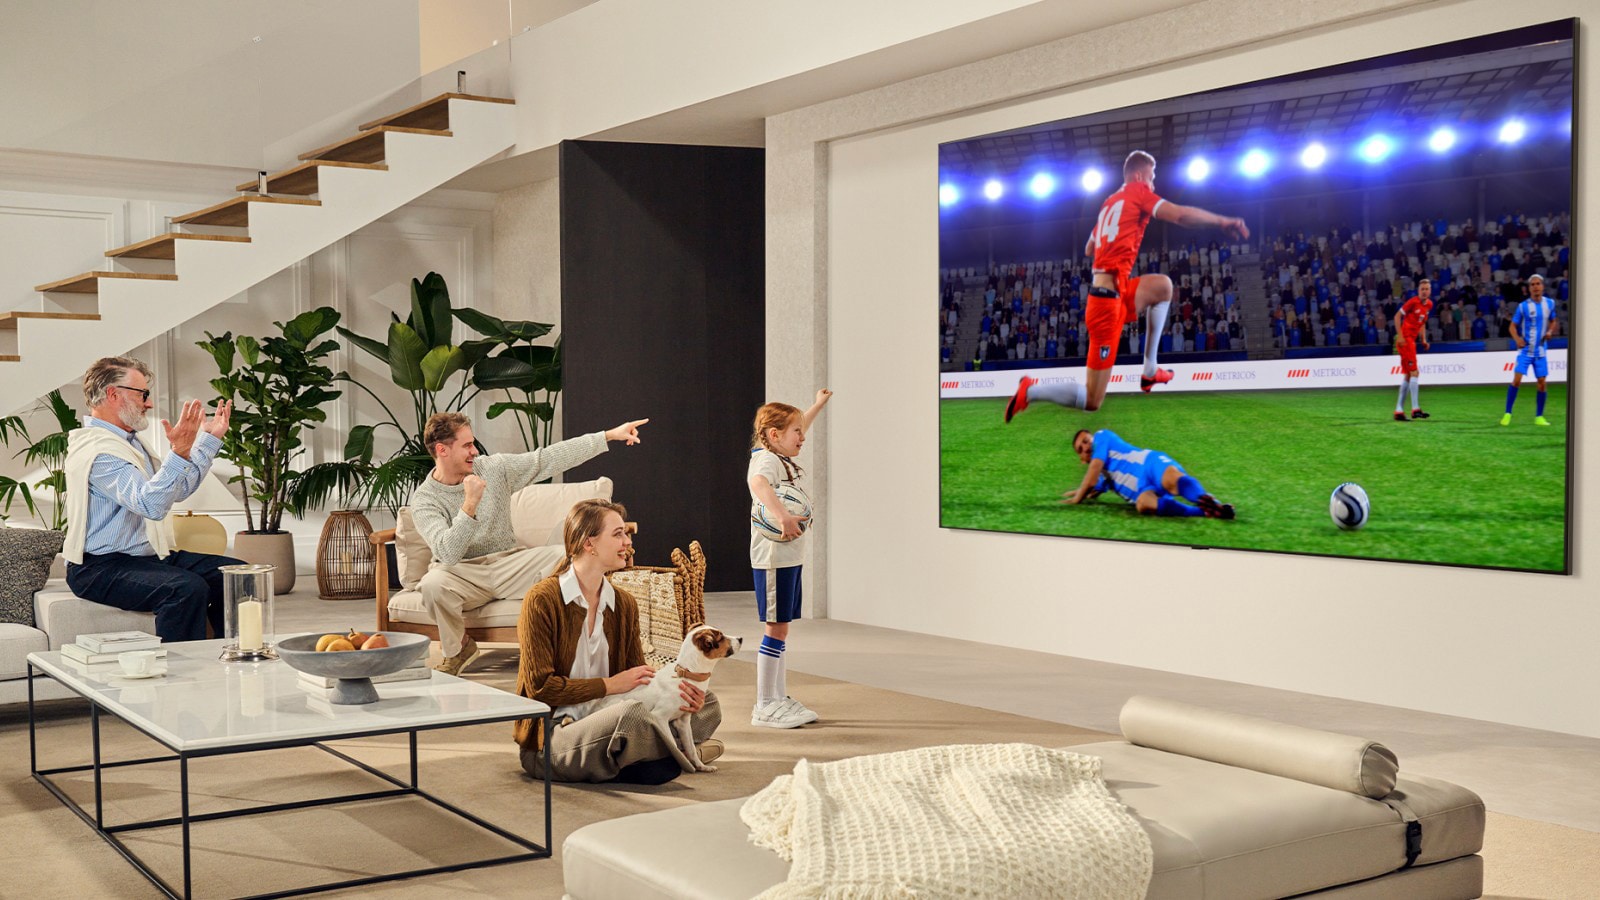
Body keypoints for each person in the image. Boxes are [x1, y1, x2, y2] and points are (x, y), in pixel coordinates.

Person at [1005, 150, 1248, 422]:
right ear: (1139, 175)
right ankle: (1031, 392)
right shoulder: (1137, 192)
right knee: (1092, 399)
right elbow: (1179, 216)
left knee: (1164, 287)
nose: (1153, 185)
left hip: (1116, 293)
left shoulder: (1109, 202)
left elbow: (1088, 248)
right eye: (1152, 178)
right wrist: (1221, 220)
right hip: (1105, 307)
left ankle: (1150, 370)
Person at [411, 411, 649, 675]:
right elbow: (447, 553)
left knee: (567, 557)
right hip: (463, 573)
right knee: (432, 584)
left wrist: (608, 436)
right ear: (442, 449)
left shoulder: (494, 468)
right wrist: (470, 504)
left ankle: (574, 643)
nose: (475, 451)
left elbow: (547, 458)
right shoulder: (425, 500)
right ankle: (458, 650)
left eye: (473, 443)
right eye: (467, 445)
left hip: (510, 563)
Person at [514, 498, 721, 785]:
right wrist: (610, 685)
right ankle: (670, 752)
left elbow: (638, 680)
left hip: (614, 714)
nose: (627, 542)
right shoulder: (542, 600)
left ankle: (640, 755)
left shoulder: (623, 604)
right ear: (590, 544)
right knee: (631, 716)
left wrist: (681, 695)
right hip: (555, 734)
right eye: (618, 534)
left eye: (626, 533)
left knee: (707, 703)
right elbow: (539, 688)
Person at [62, 357, 241, 642]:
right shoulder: (98, 451)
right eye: (143, 394)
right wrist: (179, 453)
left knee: (238, 576)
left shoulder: (130, 443)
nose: (149, 403)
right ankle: (182, 678)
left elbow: (175, 491)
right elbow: (151, 506)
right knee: (185, 588)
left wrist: (207, 440)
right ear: (113, 394)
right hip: (99, 568)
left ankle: (233, 655)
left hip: (148, 558)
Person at [747, 389, 833, 729]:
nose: (802, 436)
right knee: (775, 628)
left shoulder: (775, 452)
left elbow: (800, 427)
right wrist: (781, 515)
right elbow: (758, 484)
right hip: (772, 557)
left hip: (788, 556)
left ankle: (777, 697)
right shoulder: (766, 461)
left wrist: (816, 406)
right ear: (773, 435)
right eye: (795, 431)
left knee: (781, 628)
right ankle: (765, 704)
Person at [1062, 428, 1235, 519]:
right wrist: (1078, 493)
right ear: (1082, 459)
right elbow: (1091, 490)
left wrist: (1076, 500)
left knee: (1172, 480)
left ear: (1092, 438)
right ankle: (1205, 512)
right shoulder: (1102, 477)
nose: (1086, 447)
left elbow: (1090, 481)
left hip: (1149, 463)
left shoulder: (1102, 437)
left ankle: (1208, 500)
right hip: (1143, 489)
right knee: (1143, 504)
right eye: (1081, 449)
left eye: (1086, 441)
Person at [1502, 274, 1558, 427]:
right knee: (1517, 380)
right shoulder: (1523, 306)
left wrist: (1550, 331)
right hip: (1526, 350)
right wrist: (1517, 339)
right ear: (1529, 288)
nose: (1535, 286)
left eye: (1538, 284)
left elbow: (1553, 320)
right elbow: (1512, 326)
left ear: (1543, 286)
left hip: (1540, 351)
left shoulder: (1550, 304)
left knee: (1541, 383)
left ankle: (1539, 416)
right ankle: (1508, 413)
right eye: (1532, 284)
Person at [1391, 277, 1434, 421]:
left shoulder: (1429, 305)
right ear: (1418, 291)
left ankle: (1399, 411)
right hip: (1405, 341)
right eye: (1422, 289)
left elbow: (1422, 322)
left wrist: (1423, 339)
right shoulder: (1412, 302)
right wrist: (1400, 336)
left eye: (1427, 289)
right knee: (1415, 372)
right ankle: (1415, 409)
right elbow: (1397, 317)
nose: (1424, 291)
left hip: (1412, 341)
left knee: (1408, 375)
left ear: (1430, 291)